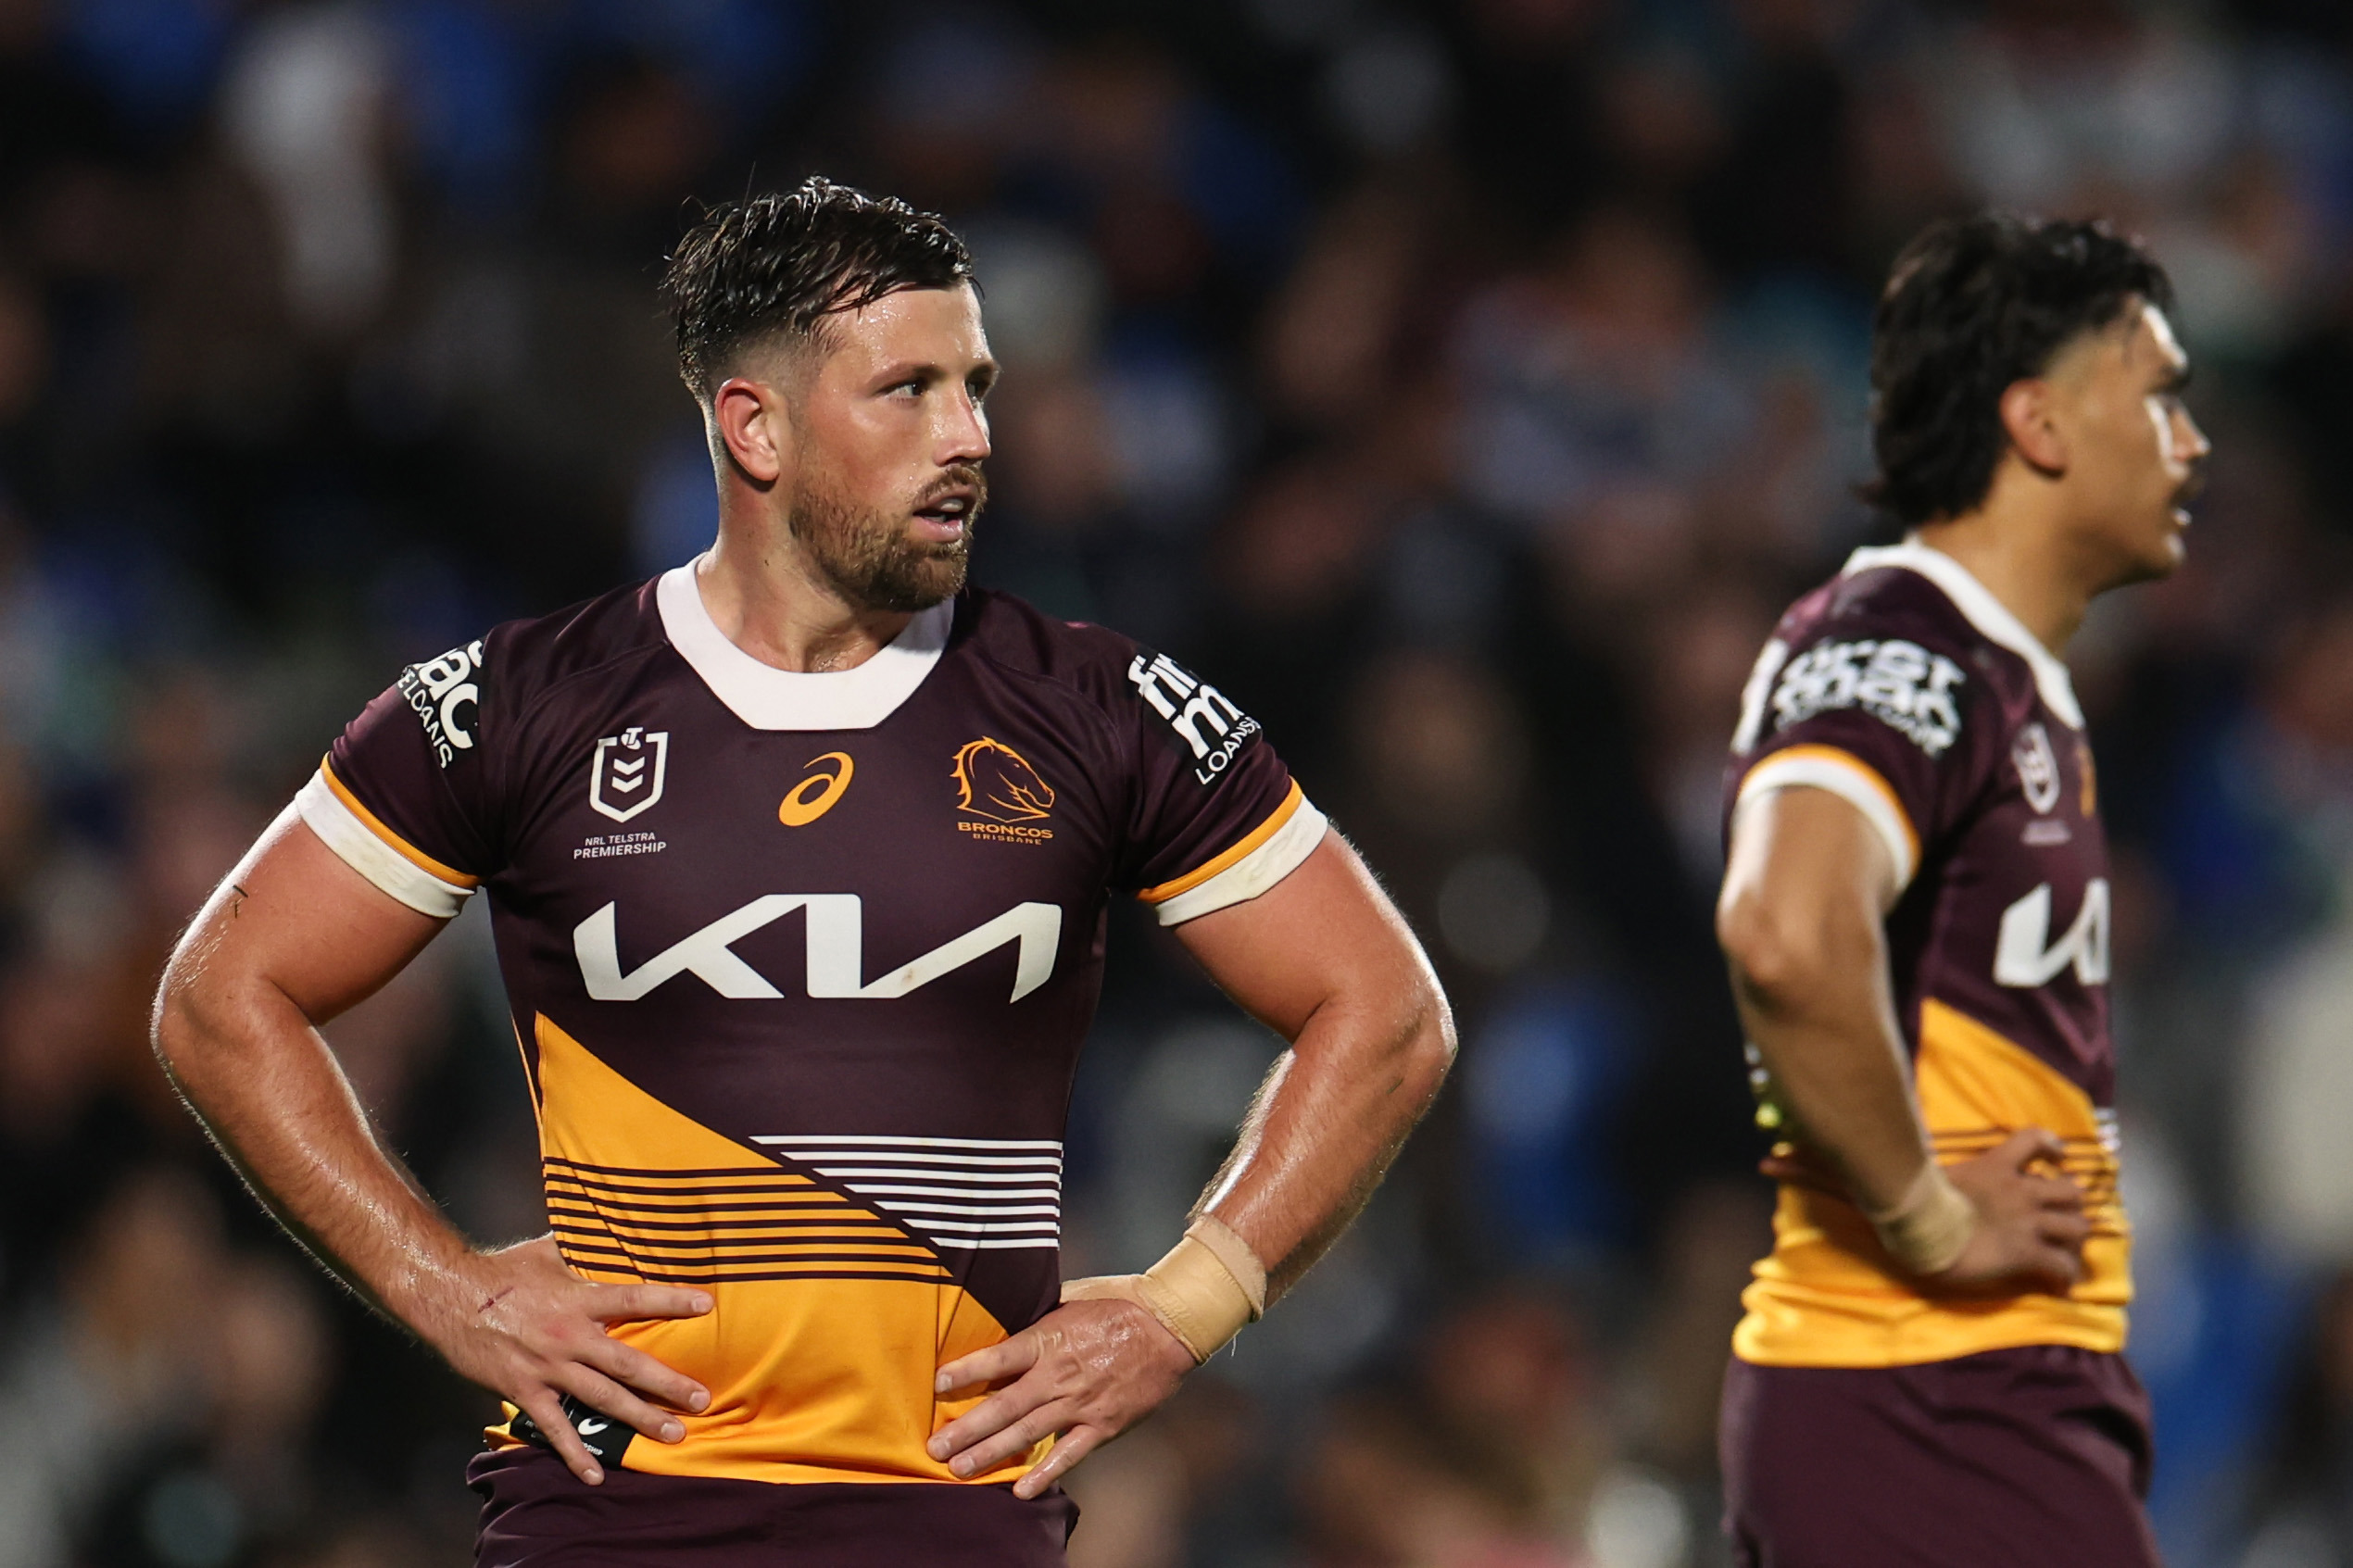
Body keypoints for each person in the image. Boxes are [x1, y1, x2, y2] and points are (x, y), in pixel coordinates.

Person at [149, 178, 1455, 1567]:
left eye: (978, 385)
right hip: (611, 1520)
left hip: (955, 1516)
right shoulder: (526, 705)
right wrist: (444, 1288)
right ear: (751, 426)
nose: (968, 437)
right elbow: (220, 995)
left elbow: (1385, 1011)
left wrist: (1183, 1306)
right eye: (907, 390)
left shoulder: (1100, 708)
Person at [1712, 212, 2208, 1567]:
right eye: (2160, 395)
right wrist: (1928, 1217)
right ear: (2039, 425)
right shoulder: (1899, 644)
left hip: (1976, 1397)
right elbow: (1784, 930)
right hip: (1921, 1392)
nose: (2193, 441)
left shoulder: (1996, 674)